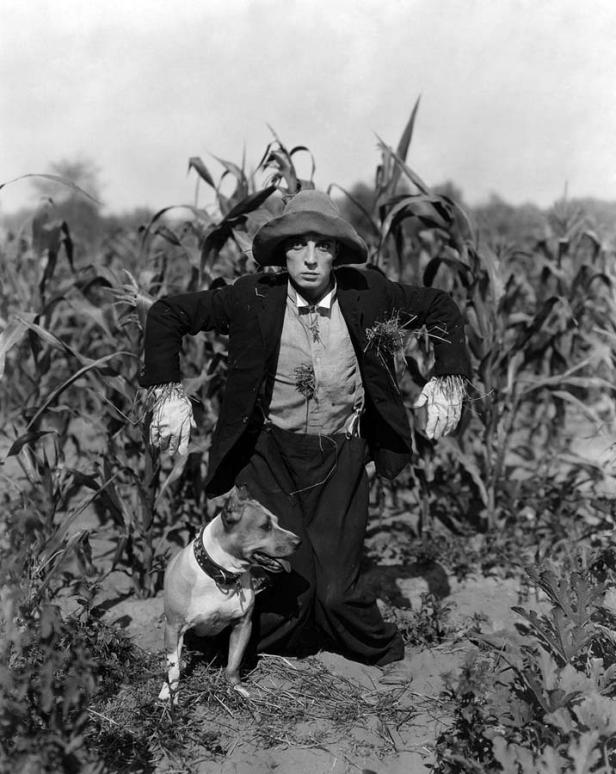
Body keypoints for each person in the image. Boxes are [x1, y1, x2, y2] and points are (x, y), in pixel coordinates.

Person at [140, 189, 471, 676]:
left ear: (337, 253)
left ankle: (383, 655)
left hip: (341, 455)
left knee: (334, 591)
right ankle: (237, 655)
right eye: (298, 245)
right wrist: (168, 392)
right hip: (270, 454)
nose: (311, 258)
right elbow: (168, 313)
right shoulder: (252, 297)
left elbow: (440, 305)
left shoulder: (369, 294)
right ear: (283, 252)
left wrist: (449, 377)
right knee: (291, 581)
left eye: (323, 246)